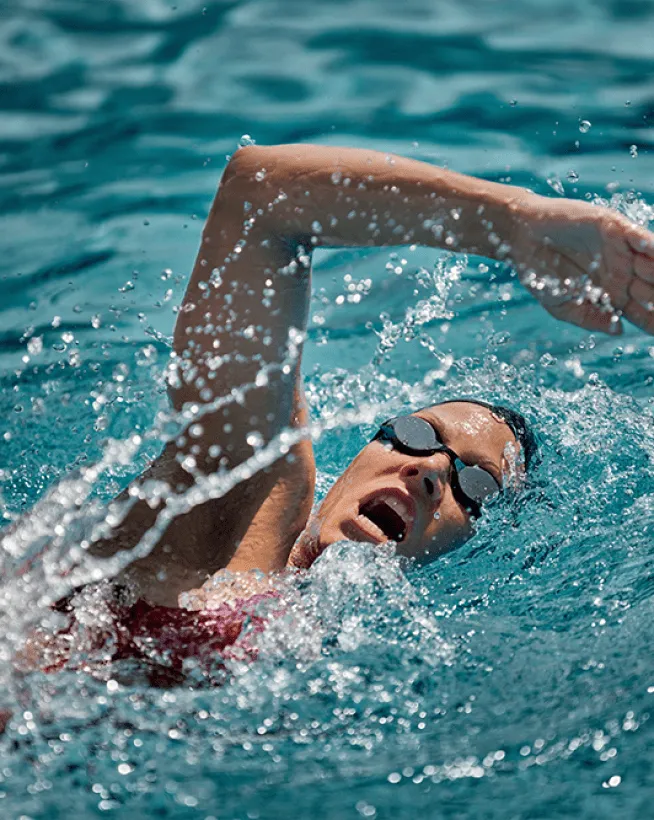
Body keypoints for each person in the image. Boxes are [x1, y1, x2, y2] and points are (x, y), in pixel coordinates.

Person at [6, 143, 654, 679]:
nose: (429, 471)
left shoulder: (333, 653)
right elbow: (259, 197)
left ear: (470, 543)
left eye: (473, 484)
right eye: (415, 434)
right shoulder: (251, 493)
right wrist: (515, 226)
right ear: (363, 452)